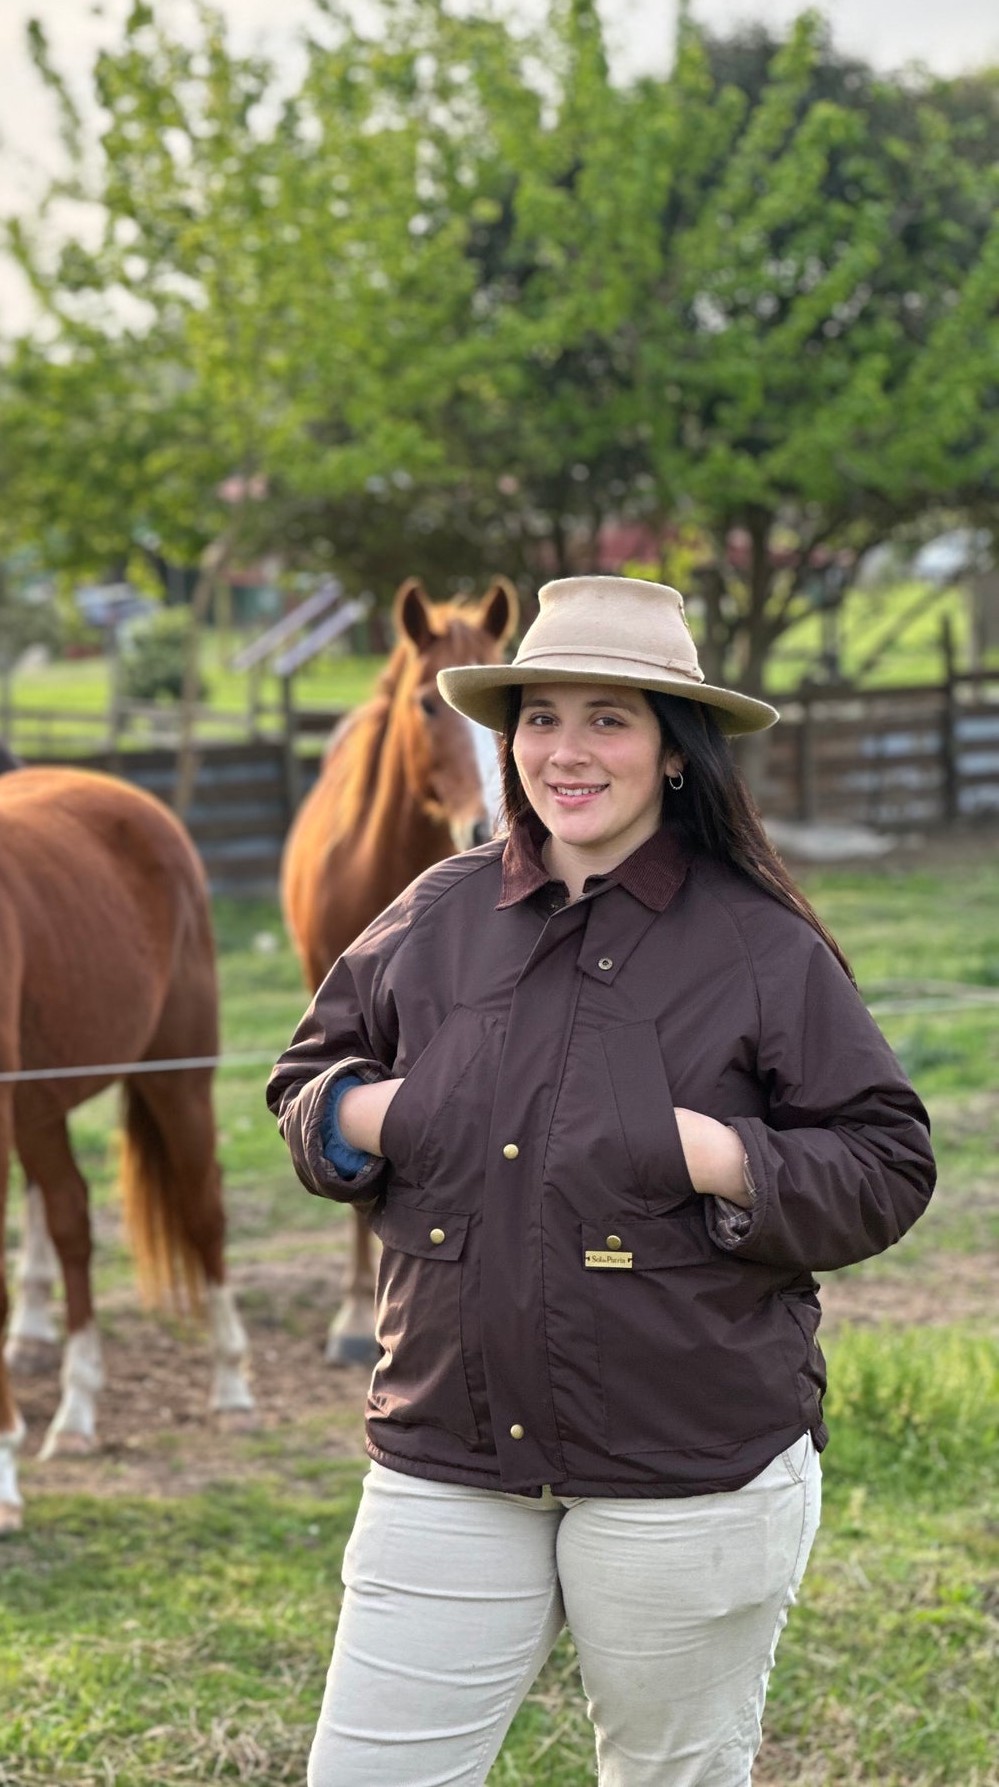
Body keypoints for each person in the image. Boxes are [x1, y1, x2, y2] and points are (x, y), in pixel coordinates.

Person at [267, 575, 935, 1787]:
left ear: (673, 753)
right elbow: (306, 1085)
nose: (562, 751)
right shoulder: (438, 913)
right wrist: (393, 1113)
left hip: (683, 1467)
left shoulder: (759, 945)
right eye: (535, 717)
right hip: (444, 1449)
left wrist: (710, 1151)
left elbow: (884, 1163)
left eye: (606, 718)